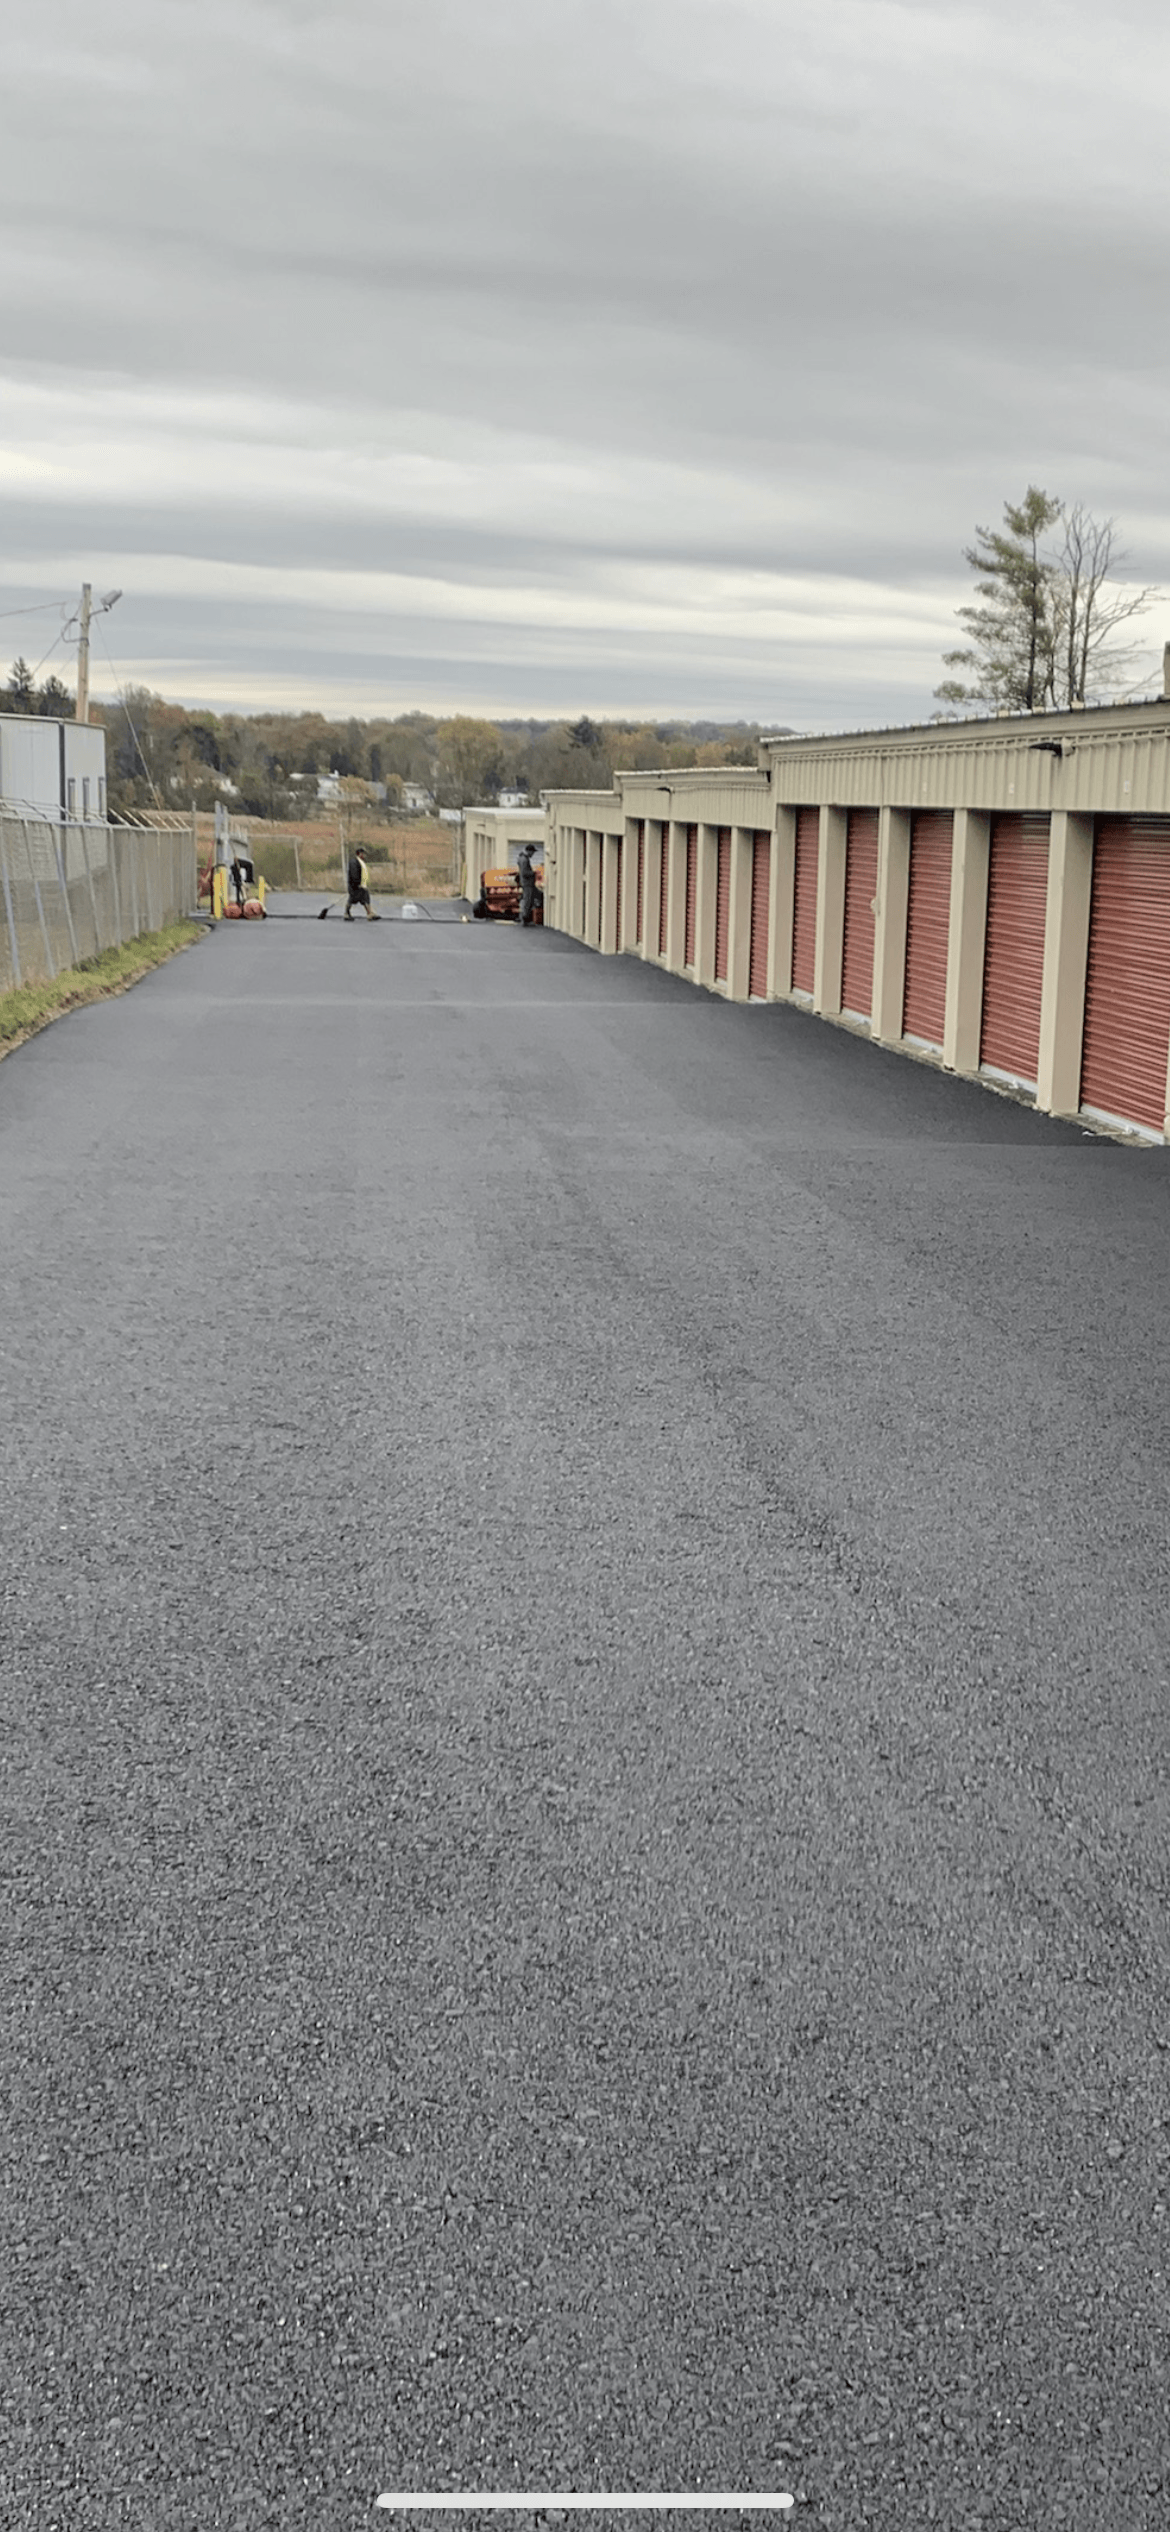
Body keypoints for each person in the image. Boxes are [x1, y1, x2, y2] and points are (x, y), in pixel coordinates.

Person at [345, 848, 379, 920]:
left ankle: (370, 913)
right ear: (359, 854)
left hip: (362, 885)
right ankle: (346, 913)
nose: (364, 855)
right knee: (352, 899)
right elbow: (354, 874)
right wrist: (357, 884)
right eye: (363, 853)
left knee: (366, 899)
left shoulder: (361, 862)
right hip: (355, 886)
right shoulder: (354, 862)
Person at [515, 842, 537, 926]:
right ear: (529, 851)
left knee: (527, 899)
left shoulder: (521, 858)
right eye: (533, 852)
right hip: (527, 883)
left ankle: (525, 917)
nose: (533, 854)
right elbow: (524, 872)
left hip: (524, 882)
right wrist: (533, 873)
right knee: (528, 900)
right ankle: (525, 918)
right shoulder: (525, 859)